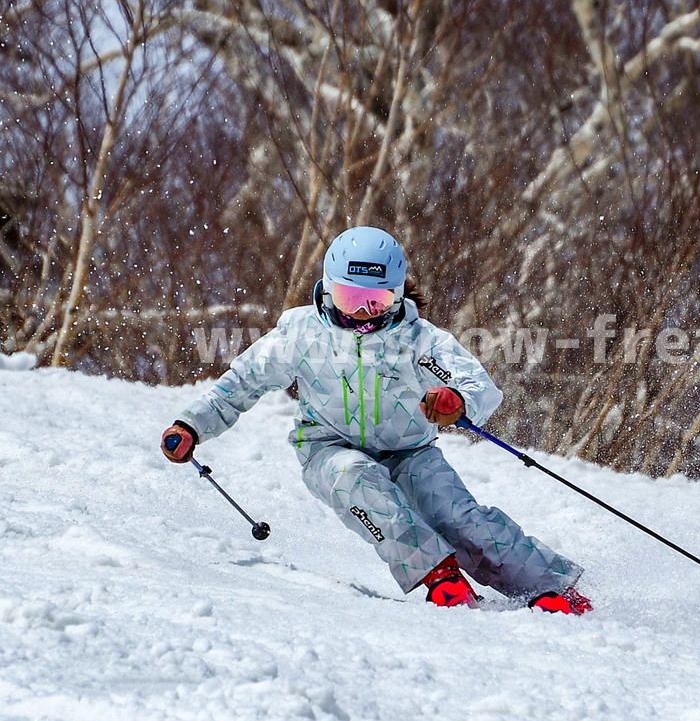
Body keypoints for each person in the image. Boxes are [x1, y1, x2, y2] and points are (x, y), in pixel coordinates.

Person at [160, 226, 591, 614]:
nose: (363, 313)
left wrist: (456, 400)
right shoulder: (302, 334)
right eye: (350, 299)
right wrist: (192, 425)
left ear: (399, 294)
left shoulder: (420, 341)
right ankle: (439, 576)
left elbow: (477, 385)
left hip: (411, 453)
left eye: (377, 300)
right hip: (329, 449)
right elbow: (242, 382)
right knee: (360, 481)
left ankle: (547, 586)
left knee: (459, 517)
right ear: (328, 290)